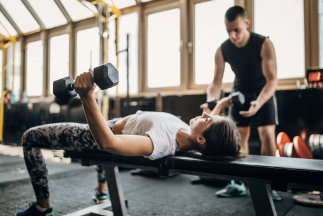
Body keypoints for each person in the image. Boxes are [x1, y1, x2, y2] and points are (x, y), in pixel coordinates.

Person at [16, 70, 242, 216]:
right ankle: (102, 192)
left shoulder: (161, 142)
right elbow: (213, 123)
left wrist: (87, 97)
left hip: (95, 135)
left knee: (30, 137)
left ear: (202, 139)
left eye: (208, 119)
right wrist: (221, 105)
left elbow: (109, 143)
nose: (205, 114)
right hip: (112, 125)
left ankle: (42, 207)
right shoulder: (187, 134)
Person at [200, 6, 279, 199]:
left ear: (246, 24)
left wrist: (258, 103)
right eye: (229, 31)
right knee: (238, 137)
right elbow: (216, 81)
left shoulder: (264, 43)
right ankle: (238, 183)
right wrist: (211, 102)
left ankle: (270, 184)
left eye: (237, 30)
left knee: (267, 135)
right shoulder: (222, 49)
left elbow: (272, 80)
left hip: (263, 92)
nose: (233, 35)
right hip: (239, 91)